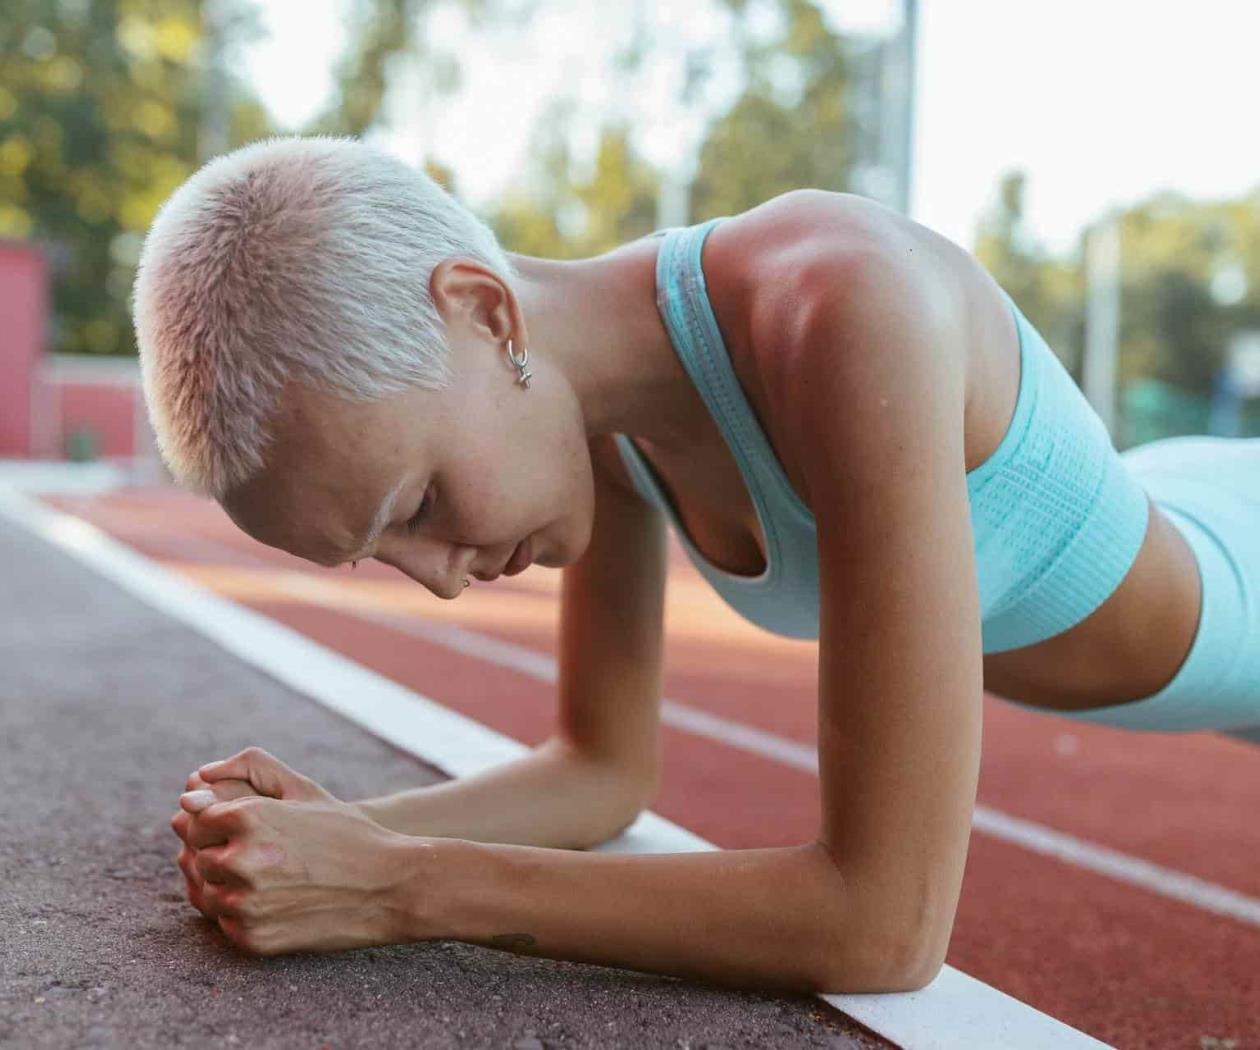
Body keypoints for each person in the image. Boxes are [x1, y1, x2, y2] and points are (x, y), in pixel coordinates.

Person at [135, 134, 1259, 991]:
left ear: (483, 313)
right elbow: (600, 771)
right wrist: (341, 835)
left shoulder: (844, 309)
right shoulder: (597, 429)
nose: (436, 576)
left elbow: (882, 923)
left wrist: (396, 887)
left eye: (420, 503)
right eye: (379, 556)